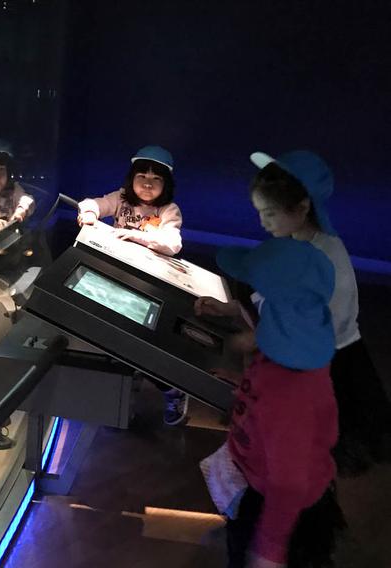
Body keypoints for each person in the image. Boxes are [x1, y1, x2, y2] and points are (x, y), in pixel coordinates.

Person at [196, 150, 391, 476]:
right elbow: (279, 296)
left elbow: (304, 321)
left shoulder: (322, 260)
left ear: (301, 207)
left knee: (309, 453)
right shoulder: (300, 244)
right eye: (260, 211)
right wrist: (233, 309)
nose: (262, 222)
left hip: (326, 368)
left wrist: (256, 337)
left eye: (269, 213)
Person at [210, 237, 344, 568]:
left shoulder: (290, 389)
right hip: (258, 480)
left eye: (254, 303)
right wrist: (244, 384)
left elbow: (288, 484)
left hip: (282, 508)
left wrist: (269, 548)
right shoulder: (289, 352)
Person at [77, 145, 188, 425]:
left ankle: (171, 390)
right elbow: (94, 203)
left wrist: (136, 236)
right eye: (142, 177)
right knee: (115, 338)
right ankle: (121, 399)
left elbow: (173, 243)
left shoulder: (168, 210)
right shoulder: (121, 199)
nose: (148, 184)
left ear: (166, 184)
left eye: (156, 179)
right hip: (116, 277)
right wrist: (88, 213)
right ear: (132, 178)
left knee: (144, 342)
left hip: (149, 285)